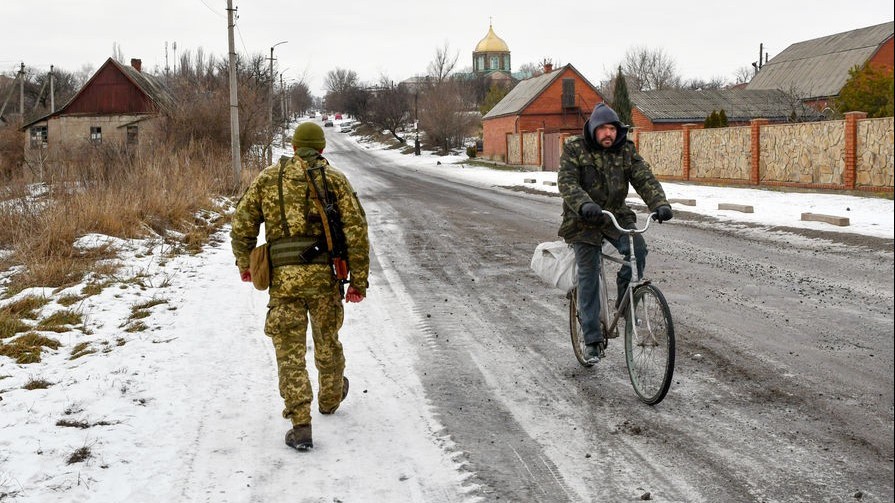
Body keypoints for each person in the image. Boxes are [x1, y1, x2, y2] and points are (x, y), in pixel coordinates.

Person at [230, 121, 370, 451]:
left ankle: (301, 424)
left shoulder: (268, 178)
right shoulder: (334, 178)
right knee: (327, 340)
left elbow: (241, 224)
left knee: (289, 352)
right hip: (324, 278)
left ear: (293, 147)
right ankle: (331, 398)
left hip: (283, 281)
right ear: (322, 148)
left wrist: (245, 264)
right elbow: (357, 232)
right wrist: (358, 282)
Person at [557, 103, 673, 363]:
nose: (608, 134)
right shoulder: (575, 148)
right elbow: (567, 182)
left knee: (637, 251)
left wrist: (659, 204)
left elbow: (644, 178)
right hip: (583, 219)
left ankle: (625, 300)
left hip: (615, 216)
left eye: (612, 129)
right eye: (603, 129)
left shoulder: (625, 150)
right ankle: (592, 341)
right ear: (593, 130)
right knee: (588, 274)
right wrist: (584, 204)